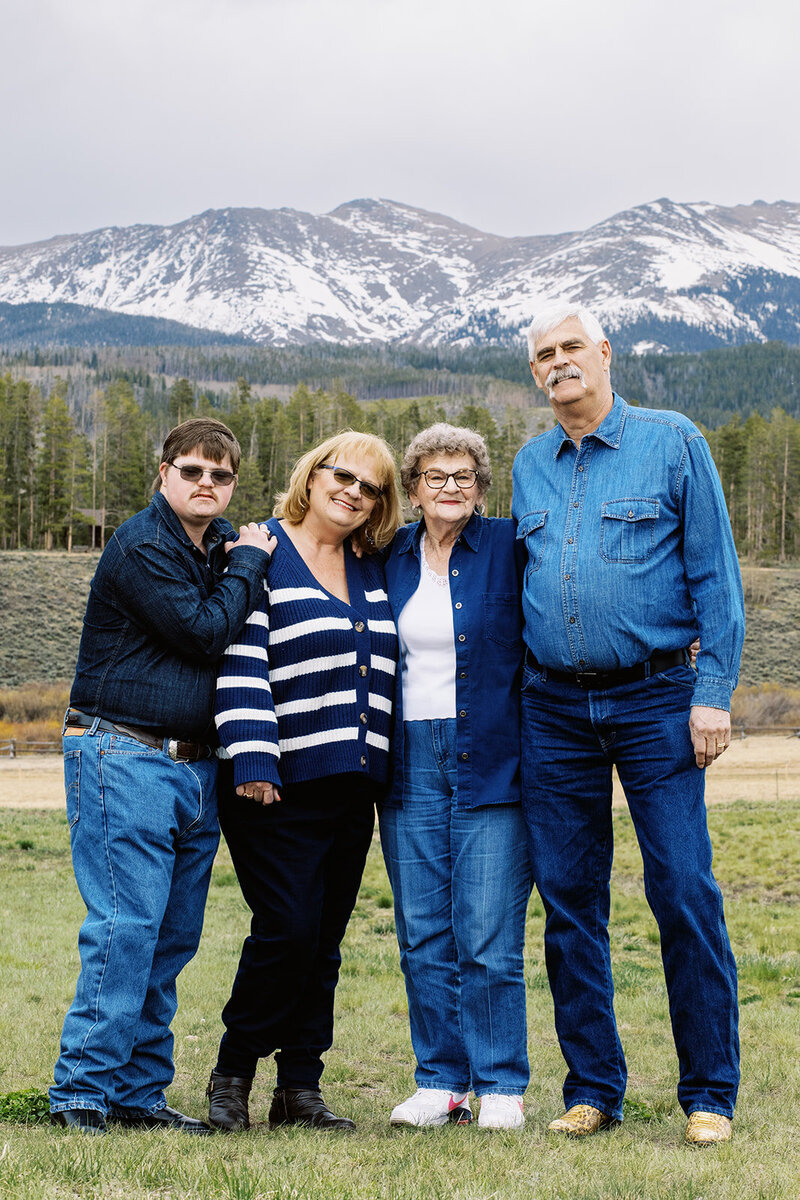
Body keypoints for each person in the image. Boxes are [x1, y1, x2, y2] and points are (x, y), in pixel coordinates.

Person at [512, 303, 744, 1147]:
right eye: (545, 355)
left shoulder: (672, 440)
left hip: (656, 700)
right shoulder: (531, 464)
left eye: (573, 347)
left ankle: (709, 1093)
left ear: (606, 354)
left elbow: (717, 576)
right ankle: (593, 1088)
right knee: (569, 901)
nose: (560, 362)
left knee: (682, 889)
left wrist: (711, 692)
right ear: (535, 373)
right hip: (554, 709)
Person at [50, 417, 275, 1136]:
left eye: (221, 475)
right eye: (193, 471)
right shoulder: (144, 546)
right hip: (125, 754)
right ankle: (81, 1092)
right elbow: (205, 630)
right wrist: (250, 562)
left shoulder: (213, 546)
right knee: (125, 927)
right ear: (164, 473)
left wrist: (237, 555)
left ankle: (138, 1094)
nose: (206, 484)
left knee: (171, 937)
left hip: (192, 767)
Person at [206, 431, 402, 1134]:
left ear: (380, 503)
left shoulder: (372, 566)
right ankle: (232, 1075)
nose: (352, 491)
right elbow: (239, 659)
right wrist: (254, 758)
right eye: (341, 475)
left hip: (352, 784)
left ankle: (300, 1091)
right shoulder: (262, 552)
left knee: (322, 940)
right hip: (274, 781)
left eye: (370, 486)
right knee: (286, 930)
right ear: (312, 476)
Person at [380, 424, 532, 1131]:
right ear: (412, 489)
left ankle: (500, 1081)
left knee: (487, 933)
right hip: (406, 756)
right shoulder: (386, 555)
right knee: (420, 933)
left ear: (482, 486)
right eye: (435, 476)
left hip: (493, 753)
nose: (450, 487)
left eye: (464, 475)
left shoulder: (509, 546)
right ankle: (442, 1080)